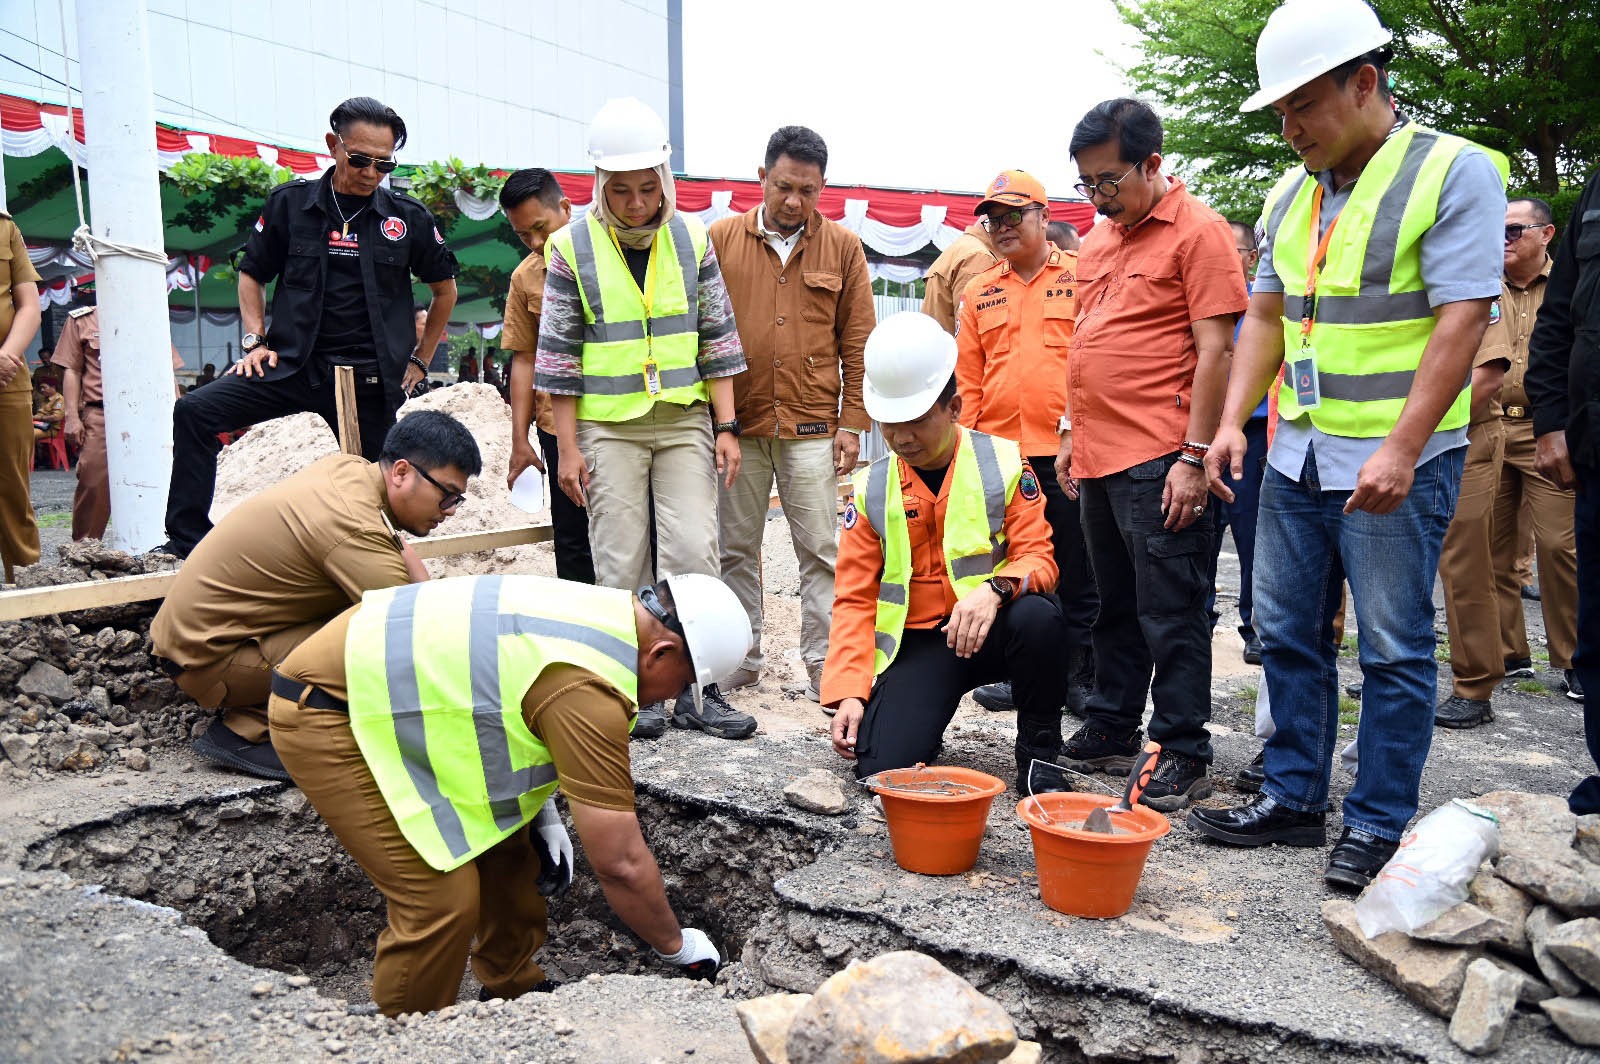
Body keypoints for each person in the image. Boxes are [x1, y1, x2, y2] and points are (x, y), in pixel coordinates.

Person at [1190, 0, 1507, 890]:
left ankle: (1376, 821)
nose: (1290, 129)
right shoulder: (1289, 193)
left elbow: (1463, 318)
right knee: (1287, 631)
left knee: (1394, 648)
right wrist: (1230, 423)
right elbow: (1265, 317)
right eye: (1280, 112)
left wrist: (1403, 447)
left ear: (1365, 82)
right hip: (1297, 451)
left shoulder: (1453, 171)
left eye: (1303, 105)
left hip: (1394, 460)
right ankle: (1293, 796)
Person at [269, 571, 749, 1016]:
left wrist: (541, 812)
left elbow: (499, 687)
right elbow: (620, 863)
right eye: (683, 684)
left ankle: (511, 988)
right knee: (439, 900)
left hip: (403, 696)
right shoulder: (590, 686)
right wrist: (675, 945)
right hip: (329, 706)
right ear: (661, 652)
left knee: (514, 853)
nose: (669, 698)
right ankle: (408, 1037)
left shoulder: (609, 617)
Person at [1053, 99, 1248, 811]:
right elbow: (1084, 340)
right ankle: (1112, 721)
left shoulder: (1200, 233)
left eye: (1108, 181)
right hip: (1099, 454)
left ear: (1153, 163)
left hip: (1162, 455)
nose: (1097, 197)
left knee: (1172, 608)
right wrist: (1070, 433)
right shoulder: (1099, 239)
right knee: (1114, 604)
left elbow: (1216, 351)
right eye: (1086, 183)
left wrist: (1194, 456)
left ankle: (1182, 748)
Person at [536, 96, 750, 741]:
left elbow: (717, 337)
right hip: (607, 427)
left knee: (694, 552)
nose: (636, 203)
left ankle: (700, 692)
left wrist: (726, 427)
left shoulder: (693, 238)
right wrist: (567, 447)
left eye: (647, 188)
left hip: (682, 418)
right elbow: (558, 358)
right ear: (601, 185)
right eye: (621, 190)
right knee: (620, 559)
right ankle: (631, 689)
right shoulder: (570, 247)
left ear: (664, 180)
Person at [160, 96, 458, 558]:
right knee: (195, 412)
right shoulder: (290, 205)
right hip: (293, 364)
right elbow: (252, 273)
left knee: (381, 487)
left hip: (368, 377)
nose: (371, 172)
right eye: (360, 159)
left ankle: (379, 558)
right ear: (333, 145)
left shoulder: (408, 217)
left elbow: (445, 290)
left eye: (384, 164)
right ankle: (186, 544)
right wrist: (254, 341)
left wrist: (420, 360)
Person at [151, 411, 480, 780]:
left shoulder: (351, 472)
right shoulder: (353, 526)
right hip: (209, 663)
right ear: (402, 472)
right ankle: (249, 730)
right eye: (447, 495)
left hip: (199, 643)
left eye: (457, 499)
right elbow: (414, 633)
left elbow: (401, 557)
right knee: (375, 641)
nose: (451, 511)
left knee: (369, 615)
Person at [825, 312, 1066, 794]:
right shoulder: (870, 489)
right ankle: (919, 724)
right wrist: (850, 691)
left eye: (916, 422)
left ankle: (1039, 755)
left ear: (953, 407)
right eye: (889, 425)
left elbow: (1040, 559)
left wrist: (993, 591)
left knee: (1041, 617)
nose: (901, 438)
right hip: (921, 645)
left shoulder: (1003, 462)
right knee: (880, 770)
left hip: (995, 627)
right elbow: (854, 598)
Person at [708, 125, 874, 706]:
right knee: (735, 548)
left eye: (808, 191)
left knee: (822, 551)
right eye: (783, 187)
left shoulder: (843, 248)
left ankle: (826, 664)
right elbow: (704, 333)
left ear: (823, 187)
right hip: (738, 426)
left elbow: (858, 340)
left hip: (812, 426)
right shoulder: (720, 240)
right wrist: (717, 422)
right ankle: (739, 659)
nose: (794, 201)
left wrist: (852, 421)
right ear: (762, 177)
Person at [954, 170, 1099, 720]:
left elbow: (1095, 365)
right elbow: (968, 383)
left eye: (1015, 214)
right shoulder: (979, 291)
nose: (1003, 226)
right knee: (1016, 571)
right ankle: (1028, 677)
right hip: (1001, 460)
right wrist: (967, 454)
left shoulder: (1083, 277)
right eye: (993, 218)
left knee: (1079, 572)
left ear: (1044, 216)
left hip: (1068, 454)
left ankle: (1081, 679)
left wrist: (1082, 435)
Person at [1528, 164, 1600, 815]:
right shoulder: (1597, 190)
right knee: (1597, 629)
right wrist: (1551, 422)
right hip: (1593, 451)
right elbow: (1558, 320)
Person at [1491, 198, 1580, 702]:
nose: (1502, 239)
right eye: (1496, 229)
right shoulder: (1481, 282)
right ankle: (1510, 653)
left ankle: (1574, 659)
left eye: (1514, 230)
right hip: (1489, 426)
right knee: (1492, 548)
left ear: (1546, 234)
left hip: (1546, 430)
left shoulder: (1568, 284)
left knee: (1559, 547)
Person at [500, 168, 596, 584]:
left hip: (614, 417)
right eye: (524, 235)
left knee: (633, 529)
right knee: (573, 535)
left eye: (541, 227)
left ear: (566, 208)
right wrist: (520, 440)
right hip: (556, 426)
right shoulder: (524, 278)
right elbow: (524, 361)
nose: (536, 242)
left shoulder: (607, 258)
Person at [1433, 265, 1515, 728]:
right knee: (1398, 561)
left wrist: (1416, 433)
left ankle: (1475, 685)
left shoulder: (1479, 280)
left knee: (1464, 564)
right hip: (1399, 441)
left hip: (1466, 437)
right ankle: (1400, 669)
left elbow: (1486, 378)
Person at [51, 302, 185, 542]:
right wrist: (71, 417)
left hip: (148, 412)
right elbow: (72, 370)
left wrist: (176, 413)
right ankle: (85, 547)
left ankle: (157, 543)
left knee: (158, 479)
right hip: (101, 412)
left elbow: (167, 369)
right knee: (93, 478)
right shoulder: (83, 320)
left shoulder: (149, 314)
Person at [1205, 221, 1270, 663]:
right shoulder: (1199, 307)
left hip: (1252, 436)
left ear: (1252, 258)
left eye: (1233, 251)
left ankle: (1255, 627)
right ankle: (1199, 620)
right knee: (1198, 535)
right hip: (1200, 436)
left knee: (1252, 537)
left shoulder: (1265, 309)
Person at [0, 209, 43, 584]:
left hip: (6, 376)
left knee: (13, 486)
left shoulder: (4, 227)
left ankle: (28, 588)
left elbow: (29, 305)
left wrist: (7, 356)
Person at [922, 209, 998, 336]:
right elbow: (971, 330)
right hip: (955, 347)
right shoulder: (979, 257)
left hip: (940, 344)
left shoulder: (964, 247)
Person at [32, 377, 64, 442]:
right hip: (38, 425)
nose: (42, 390)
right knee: (19, 431)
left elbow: (56, 417)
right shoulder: (45, 399)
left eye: (44, 387)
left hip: (49, 429)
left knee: (28, 434)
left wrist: (38, 418)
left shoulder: (59, 399)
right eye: (41, 388)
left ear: (53, 387)